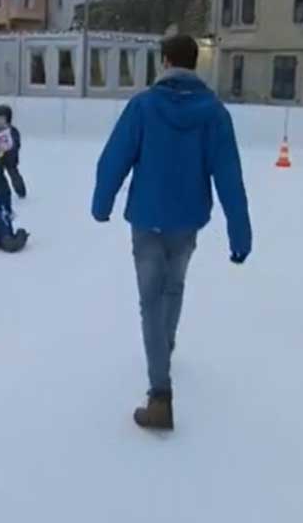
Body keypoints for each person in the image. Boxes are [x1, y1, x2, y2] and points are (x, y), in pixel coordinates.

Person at [91, 34, 252, 431]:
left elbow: (114, 157)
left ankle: (159, 395)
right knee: (173, 288)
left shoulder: (143, 106)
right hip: (187, 219)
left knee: (151, 301)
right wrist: (240, 233)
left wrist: (102, 203)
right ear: (195, 63)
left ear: (165, 62)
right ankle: (164, 347)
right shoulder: (213, 112)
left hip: (147, 218)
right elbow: (229, 175)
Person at [0, 104, 26, 199]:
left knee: (13, 174)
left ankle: (21, 192)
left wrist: (9, 149)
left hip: (10, 157)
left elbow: (16, 144)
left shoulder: (13, 130)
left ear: (7, 118)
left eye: (0, 118)